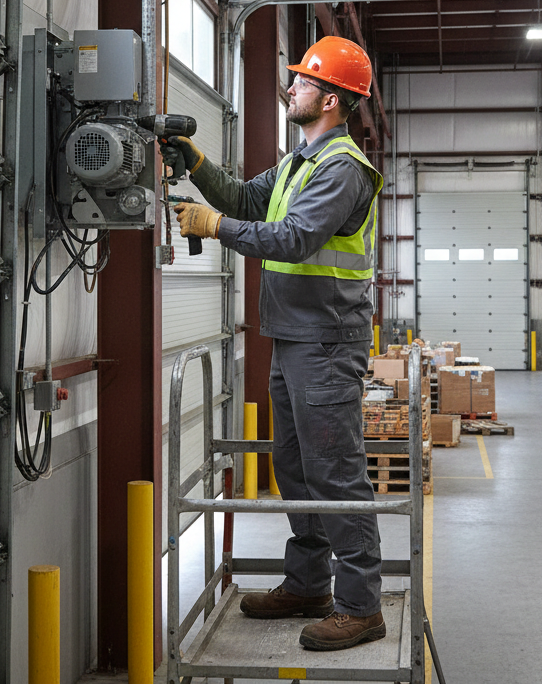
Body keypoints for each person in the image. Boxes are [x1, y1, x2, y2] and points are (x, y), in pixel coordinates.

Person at [162, 35, 385, 652]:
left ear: (334, 100)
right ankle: (309, 584)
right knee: (295, 470)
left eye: (304, 82)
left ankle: (361, 605)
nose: (292, 88)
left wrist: (215, 227)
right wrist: (196, 163)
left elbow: (289, 238)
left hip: (327, 342)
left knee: (335, 474)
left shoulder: (343, 169)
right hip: (291, 340)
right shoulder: (298, 161)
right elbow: (246, 199)